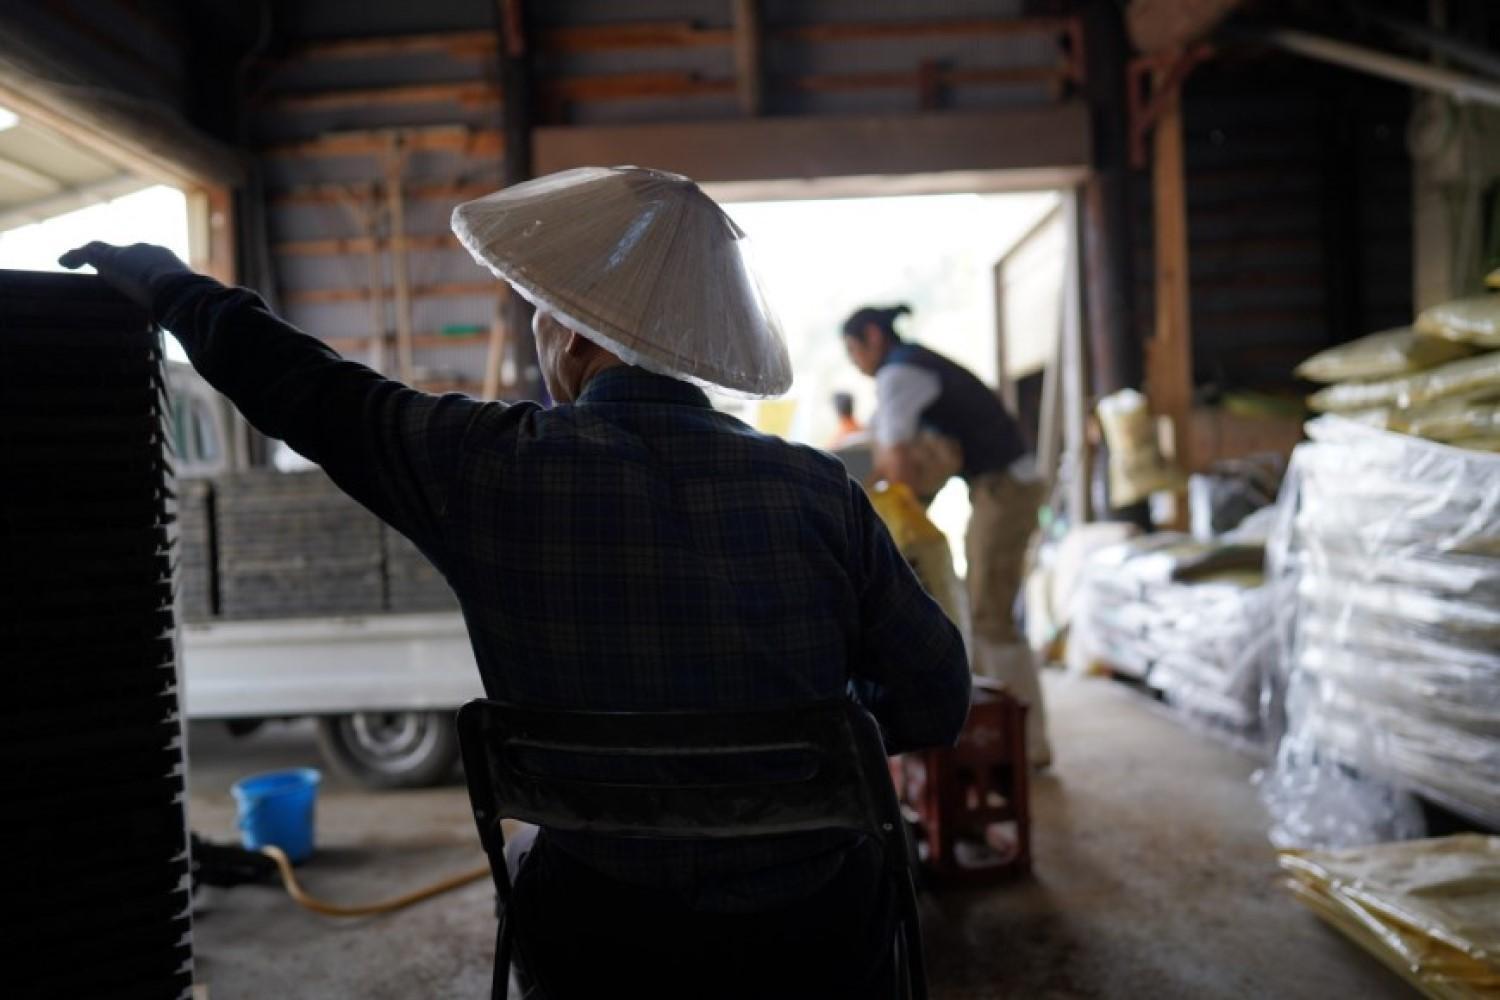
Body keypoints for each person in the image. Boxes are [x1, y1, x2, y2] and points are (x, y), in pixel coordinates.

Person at [64, 167, 970, 999]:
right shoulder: (820, 490)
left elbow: (309, 389)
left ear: (573, 333)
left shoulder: (482, 466)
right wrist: (802, 748)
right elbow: (936, 700)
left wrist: (170, 284)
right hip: (813, 936)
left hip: (598, 936)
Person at [842, 303, 1052, 767]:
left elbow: (895, 463)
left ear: (874, 337)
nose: (855, 362)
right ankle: (1004, 743)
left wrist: (899, 533)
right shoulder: (914, 365)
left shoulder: (899, 375)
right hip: (994, 485)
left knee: (989, 616)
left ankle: (1024, 747)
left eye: (854, 350)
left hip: (1006, 488)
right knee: (983, 613)